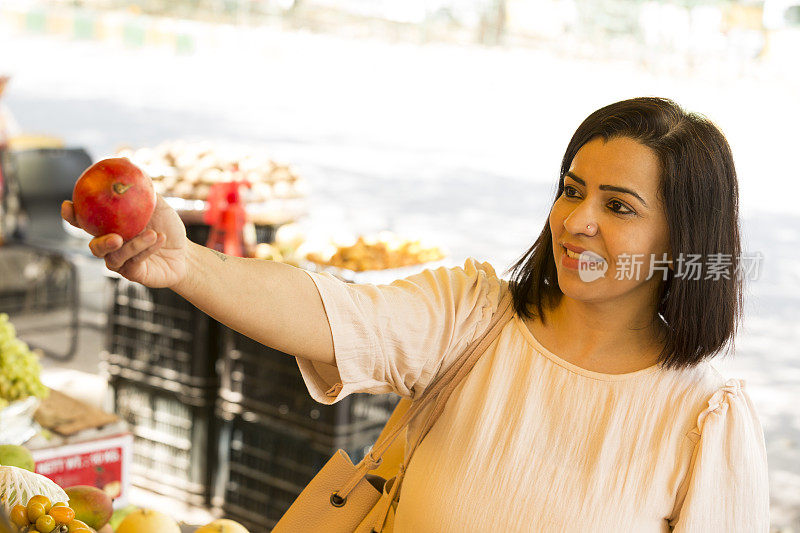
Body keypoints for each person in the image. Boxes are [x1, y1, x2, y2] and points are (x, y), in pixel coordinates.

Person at [61, 96, 770, 532]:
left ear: (682, 239)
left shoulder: (705, 422)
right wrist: (190, 267)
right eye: (572, 189)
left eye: (618, 206)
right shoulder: (474, 315)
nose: (577, 221)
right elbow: (329, 309)